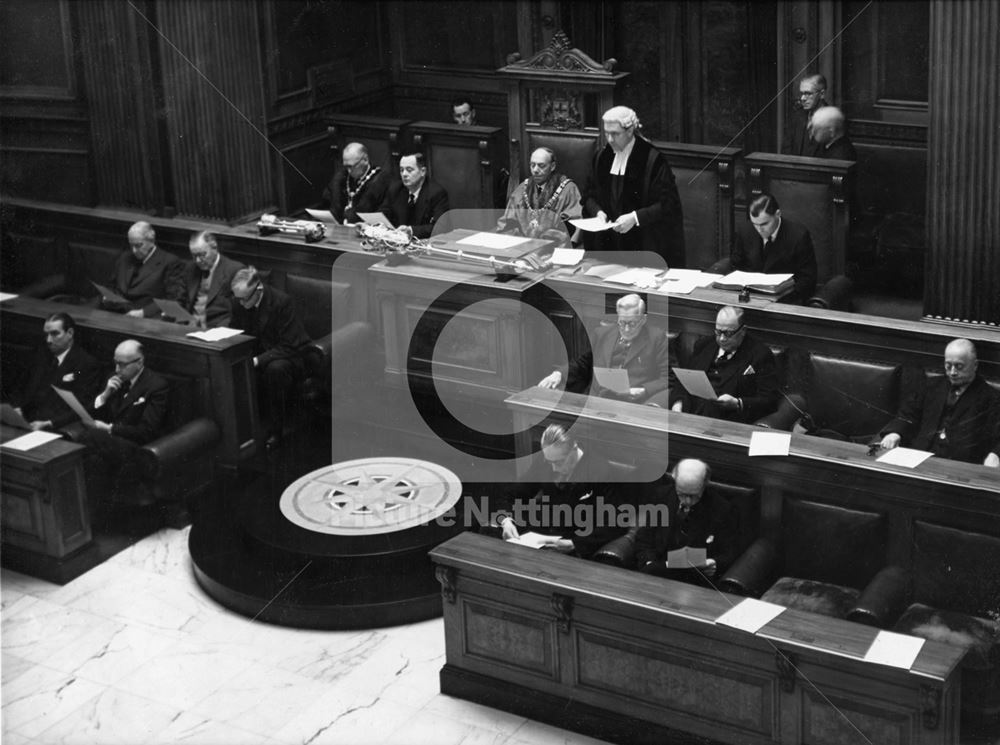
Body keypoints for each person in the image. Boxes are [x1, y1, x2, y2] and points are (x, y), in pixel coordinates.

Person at [492, 423, 629, 560]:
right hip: (539, 533)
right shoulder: (545, 461)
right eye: (549, 461)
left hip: (573, 539)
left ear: (574, 449)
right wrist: (506, 521)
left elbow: (615, 522)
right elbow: (512, 493)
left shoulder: (600, 471)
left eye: (559, 462)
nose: (553, 469)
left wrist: (575, 544)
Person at [582, 106, 686, 268]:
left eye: (615, 134)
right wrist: (598, 212)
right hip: (607, 248)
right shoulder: (602, 156)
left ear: (630, 131)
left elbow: (668, 204)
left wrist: (635, 218)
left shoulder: (652, 160)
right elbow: (588, 195)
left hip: (644, 248)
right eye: (607, 133)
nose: (609, 139)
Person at [880, 339, 1000, 467]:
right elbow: (908, 415)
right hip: (918, 458)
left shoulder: (991, 398)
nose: (953, 372)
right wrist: (895, 433)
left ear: (975, 365)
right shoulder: (931, 386)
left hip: (958, 466)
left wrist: (995, 454)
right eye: (948, 366)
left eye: (959, 367)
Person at [230, 266, 313, 449]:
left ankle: (277, 430)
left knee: (275, 369)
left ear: (258, 290)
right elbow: (235, 332)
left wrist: (257, 360)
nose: (241, 304)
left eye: (244, 299)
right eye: (238, 299)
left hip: (289, 355)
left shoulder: (282, 302)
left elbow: (290, 344)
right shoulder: (239, 300)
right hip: (257, 353)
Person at [538, 294, 672, 407]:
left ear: (643, 320)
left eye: (632, 324)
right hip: (598, 400)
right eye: (622, 322)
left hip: (633, 404)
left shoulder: (656, 338)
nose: (626, 329)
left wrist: (645, 390)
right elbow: (582, 363)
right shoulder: (602, 334)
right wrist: (559, 373)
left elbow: (668, 378)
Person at [77, 340, 170, 503]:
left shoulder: (156, 386)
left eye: (122, 365)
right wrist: (105, 395)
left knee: (90, 437)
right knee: (93, 460)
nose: (117, 370)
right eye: (115, 363)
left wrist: (110, 429)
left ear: (140, 362)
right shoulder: (115, 380)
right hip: (114, 444)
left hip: (139, 446)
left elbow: (147, 431)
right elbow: (91, 412)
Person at [634, 459, 738, 586]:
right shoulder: (661, 496)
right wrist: (649, 563)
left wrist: (714, 562)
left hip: (693, 581)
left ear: (705, 484)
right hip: (657, 575)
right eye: (681, 494)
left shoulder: (722, 509)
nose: (687, 501)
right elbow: (644, 538)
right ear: (674, 480)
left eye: (694, 495)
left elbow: (729, 552)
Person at [670, 305, 779, 423]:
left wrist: (738, 403)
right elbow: (684, 380)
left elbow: (770, 400)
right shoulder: (704, 345)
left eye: (728, 333)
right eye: (718, 332)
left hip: (729, 419)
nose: (722, 339)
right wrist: (678, 403)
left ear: (742, 331)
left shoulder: (759, 354)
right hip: (692, 414)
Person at [10, 312, 101, 432]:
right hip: (28, 419)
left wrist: (49, 423)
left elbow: (83, 407)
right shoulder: (40, 356)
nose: (49, 340)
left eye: (54, 334)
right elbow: (21, 387)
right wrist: (17, 408)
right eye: (46, 334)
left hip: (58, 425)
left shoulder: (86, 364)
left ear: (70, 333)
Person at [731, 193, 818, 304]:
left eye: (764, 224)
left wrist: (781, 295)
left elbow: (807, 279)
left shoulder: (798, 236)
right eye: (755, 224)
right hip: (750, 298)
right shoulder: (745, 231)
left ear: (777, 214)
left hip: (784, 301)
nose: (759, 229)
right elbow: (736, 265)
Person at [495, 147, 582, 245]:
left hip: (554, 248)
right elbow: (507, 224)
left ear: (552, 166)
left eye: (541, 166)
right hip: (523, 248)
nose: (535, 170)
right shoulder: (522, 189)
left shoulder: (568, 190)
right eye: (532, 165)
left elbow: (574, 228)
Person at [103, 221, 185, 318]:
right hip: (116, 312)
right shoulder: (125, 257)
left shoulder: (170, 262)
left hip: (145, 319)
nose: (134, 250)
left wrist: (144, 312)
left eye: (138, 245)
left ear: (151, 241)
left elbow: (174, 300)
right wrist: (108, 296)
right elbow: (111, 285)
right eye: (131, 245)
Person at [378, 153, 450, 239]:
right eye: (401, 170)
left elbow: (440, 227)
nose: (404, 174)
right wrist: (369, 225)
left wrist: (411, 230)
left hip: (422, 244)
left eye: (409, 170)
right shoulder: (396, 189)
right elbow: (384, 214)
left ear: (422, 171)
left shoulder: (436, 193)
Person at [180, 231, 244, 328]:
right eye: (194, 256)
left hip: (217, 330)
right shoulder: (190, 268)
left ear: (214, 247)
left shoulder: (234, 270)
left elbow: (239, 313)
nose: (198, 260)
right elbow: (180, 299)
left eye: (202, 255)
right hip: (189, 327)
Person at [320, 142, 391, 223]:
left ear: (365, 160)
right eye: (346, 166)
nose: (349, 171)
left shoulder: (380, 180)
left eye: (351, 166)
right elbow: (327, 204)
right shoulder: (341, 177)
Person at [783, 73, 828, 157]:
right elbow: (786, 150)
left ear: (822, 94)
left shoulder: (834, 119)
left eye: (808, 93)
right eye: (802, 93)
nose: (802, 98)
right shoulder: (797, 116)